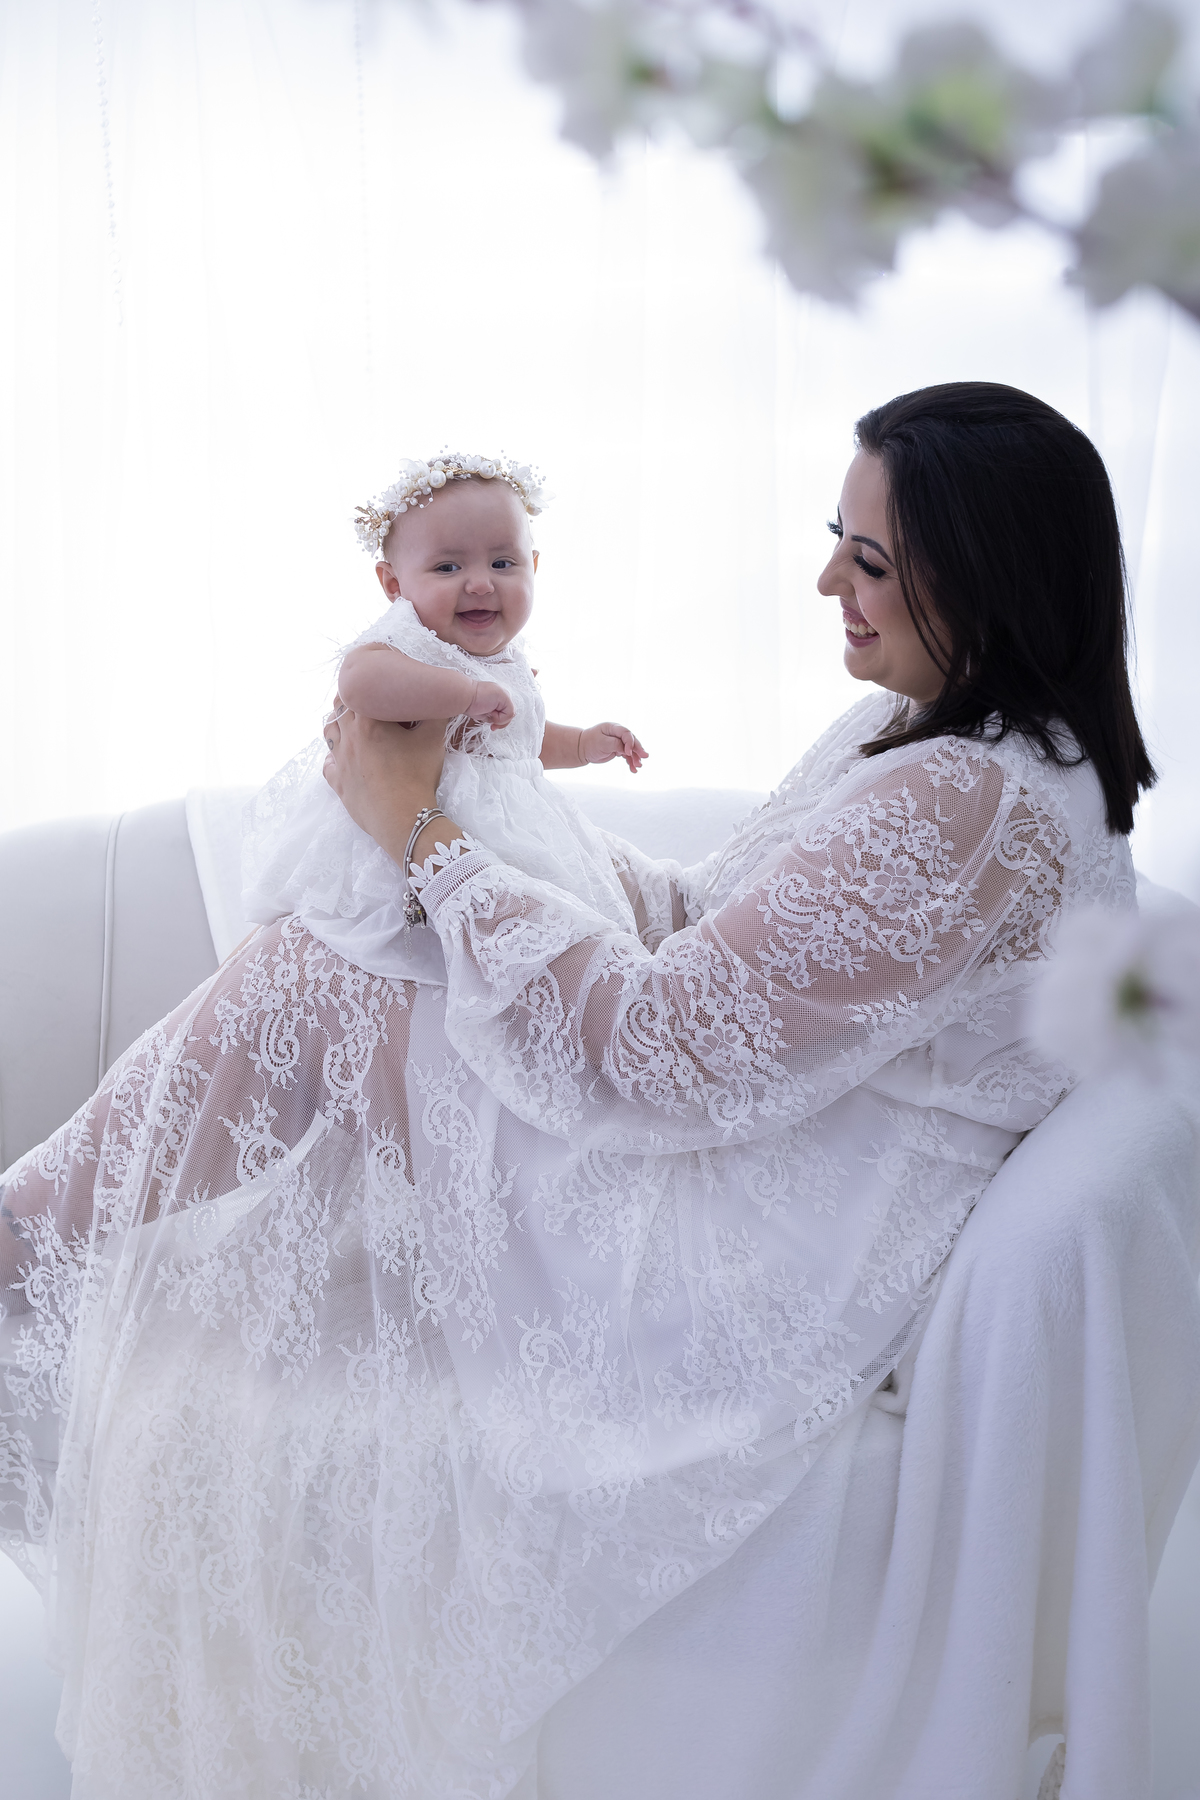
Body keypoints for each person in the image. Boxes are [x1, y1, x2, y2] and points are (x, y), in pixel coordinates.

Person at [0, 383, 1152, 1800]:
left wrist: (420, 837)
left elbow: (659, 1050)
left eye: (868, 561)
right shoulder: (943, 743)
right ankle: (25, 1239)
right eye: (833, 540)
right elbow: (715, 922)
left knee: (318, 973)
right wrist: (507, 835)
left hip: (732, 1266)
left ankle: (18, 1241)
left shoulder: (964, 805)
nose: (825, 583)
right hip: (749, 1168)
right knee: (327, 968)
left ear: (987, 572)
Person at [242, 452, 651, 983]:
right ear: (393, 584)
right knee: (409, 961)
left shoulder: (505, 663)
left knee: (545, 949)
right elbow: (359, 681)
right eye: (448, 567)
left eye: (503, 563)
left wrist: (582, 745)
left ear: (535, 566)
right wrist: (462, 692)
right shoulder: (415, 643)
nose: (480, 583)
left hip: (499, 849)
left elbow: (515, 742)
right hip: (403, 849)